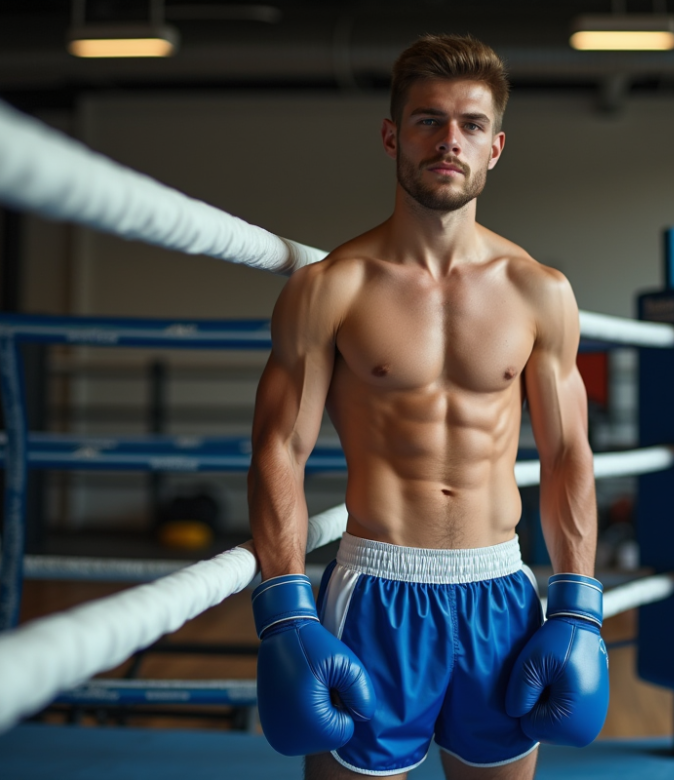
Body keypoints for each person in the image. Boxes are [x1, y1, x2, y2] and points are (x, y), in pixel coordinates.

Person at [247, 34, 608, 780]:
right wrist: (283, 606)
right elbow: (279, 449)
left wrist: (577, 603)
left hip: (500, 592)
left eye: (472, 124)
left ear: (496, 147)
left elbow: (570, 452)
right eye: (428, 120)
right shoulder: (331, 287)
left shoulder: (539, 290)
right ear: (392, 136)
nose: (450, 140)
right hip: (377, 590)